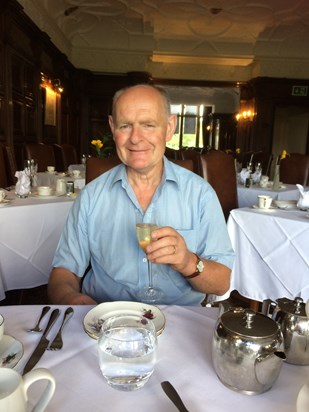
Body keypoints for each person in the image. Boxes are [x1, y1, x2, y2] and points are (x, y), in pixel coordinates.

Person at [48, 84, 234, 305]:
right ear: (112, 127)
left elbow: (221, 282)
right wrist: (72, 299)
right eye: (125, 126)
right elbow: (64, 272)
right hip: (106, 318)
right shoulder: (91, 196)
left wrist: (187, 261)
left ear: (169, 127)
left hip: (178, 322)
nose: (135, 138)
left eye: (148, 125)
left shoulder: (200, 194)